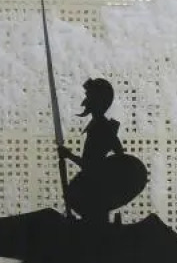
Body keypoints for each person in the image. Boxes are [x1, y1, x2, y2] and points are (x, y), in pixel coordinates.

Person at [58, 78, 147, 225]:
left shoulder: (102, 127)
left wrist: (69, 156)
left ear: (98, 101)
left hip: (96, 192)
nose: (85, 101)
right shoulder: (99, 125)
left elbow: (92, 165)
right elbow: (116, 155)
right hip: (96, 187)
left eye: (89, 96)